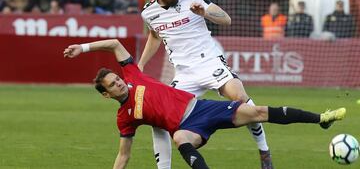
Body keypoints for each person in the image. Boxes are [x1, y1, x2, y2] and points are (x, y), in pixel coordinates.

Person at [63, 39, 346, 169]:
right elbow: (123, 155)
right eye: (112, 85)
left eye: (116, 78)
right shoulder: (124, 117)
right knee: (179, 137)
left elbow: (114, 44)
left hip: (201, 108)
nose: (119, 83)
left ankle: (321, 118)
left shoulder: (133, 74)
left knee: (257, 111)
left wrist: (83, 48)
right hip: (187, 128)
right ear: (106, 95)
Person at [139, 0, 273, 168]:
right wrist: (141, 64)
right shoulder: (148, 12)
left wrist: (205, 13)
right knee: (159, 118)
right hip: (184, 75)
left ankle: (264, 152)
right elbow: (155, 36)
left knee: (241, 99)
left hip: (210, 63)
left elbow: (226, 20)